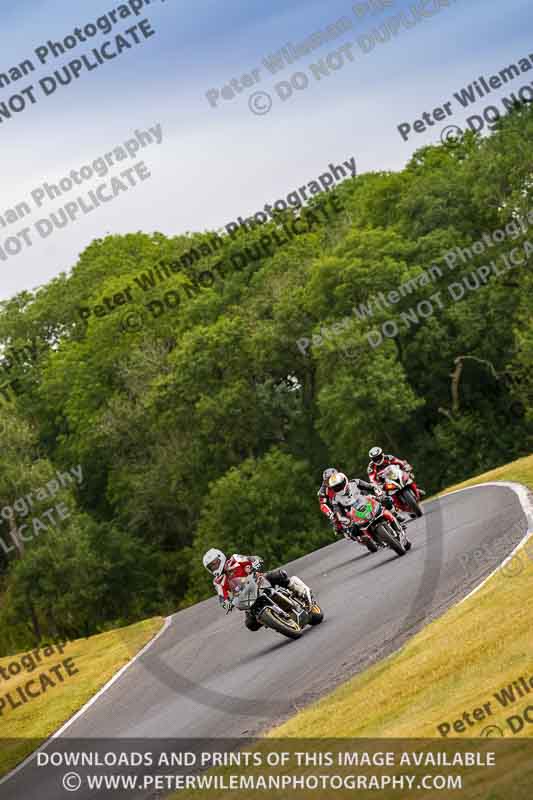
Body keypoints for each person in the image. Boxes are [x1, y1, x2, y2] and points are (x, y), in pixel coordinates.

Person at [202, 549, 313, 632]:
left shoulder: (235, 559)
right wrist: (227, 604)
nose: (214, 567)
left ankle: (300, 590)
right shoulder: (218, 582)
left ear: (220, 557)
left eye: (215, 563)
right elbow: (222, 598)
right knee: (250, 624)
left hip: (259, 581)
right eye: (211, 567)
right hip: (246, 599)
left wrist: (255, 563)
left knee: (279, 575)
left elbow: (253, 559)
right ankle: (273, 621)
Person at [327, 471, 406, 538]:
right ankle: (371, 539)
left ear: (345, 481)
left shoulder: (355, 482)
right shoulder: (335, 499)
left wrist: (379, 494)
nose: (339, 488)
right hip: (355, 513)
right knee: (353, 532)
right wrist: (346, 521)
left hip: (368, 501)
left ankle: (395, 515)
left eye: (340, 485)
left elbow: (371, 487)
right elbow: (338, 513)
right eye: (336, 487)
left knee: (386, 500)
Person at [318, 466, 345, 535]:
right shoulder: (323, 490)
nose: (331, 481)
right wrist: (330, 514)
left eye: (333, 478)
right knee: (336, 521)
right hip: (336, 505)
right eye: (328, 480)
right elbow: (322, 504)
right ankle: (339, 527)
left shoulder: (344, 480)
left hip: (349, 498)